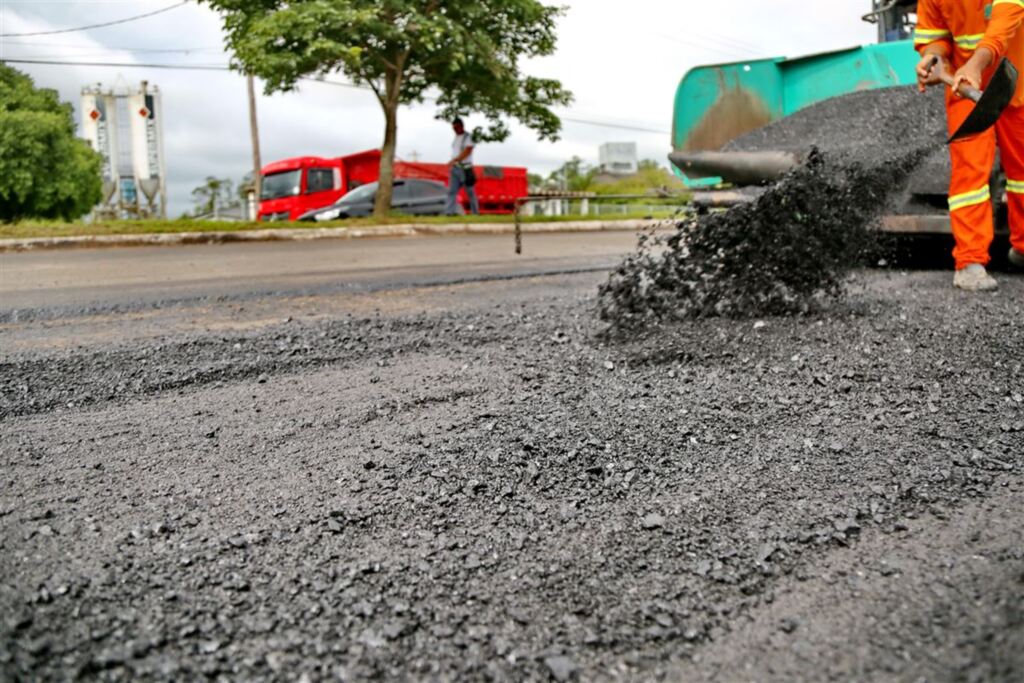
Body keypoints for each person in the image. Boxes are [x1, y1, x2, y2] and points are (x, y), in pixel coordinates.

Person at [915, 0, 1024, 291]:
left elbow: (1003, 25)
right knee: (969, 173)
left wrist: (974, 65)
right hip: (964, 89)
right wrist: (933, 58)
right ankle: (969, 263)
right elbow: (935, 37)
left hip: (1016, 80)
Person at [445, 118, 479, 215]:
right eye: (453, 128)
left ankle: (475, 213)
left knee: (470, 192)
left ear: (461, 126)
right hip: (455, 169)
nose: (455, 130)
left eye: (456, 127)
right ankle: (449, 212)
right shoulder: (456, 138)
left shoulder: (468, 137)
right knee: (452, 191)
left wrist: (455, 159)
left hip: (465, 168)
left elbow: (468, 151)